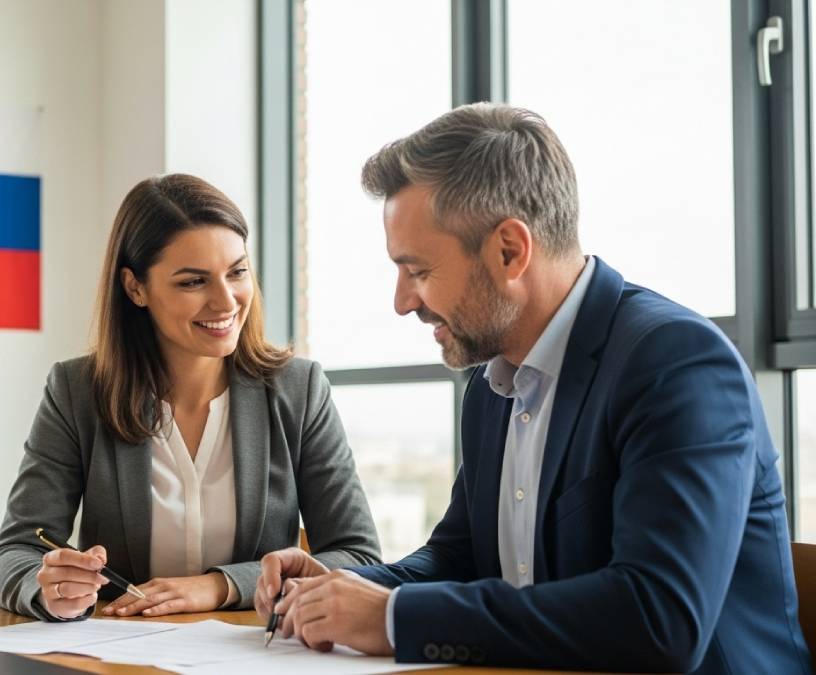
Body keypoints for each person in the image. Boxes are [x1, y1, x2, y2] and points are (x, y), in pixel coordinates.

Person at [254, 103, 812, 674]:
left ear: (509, 251)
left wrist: (395, 617)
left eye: (418, 271)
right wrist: (342, 590)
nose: (403, 302)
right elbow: (460, 558)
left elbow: (659, 618)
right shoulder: (492, 384)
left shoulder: (676, 365)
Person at [0, 173, 380, 622]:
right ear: (136, 288)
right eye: (193, 282)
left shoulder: (298, 389)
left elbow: (359, 558)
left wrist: (221, 585)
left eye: (237, 272)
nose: (225, 301)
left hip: (254, 659)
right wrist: (47, 587)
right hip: (121, 658)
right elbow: (14, 552)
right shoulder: (77, 392)